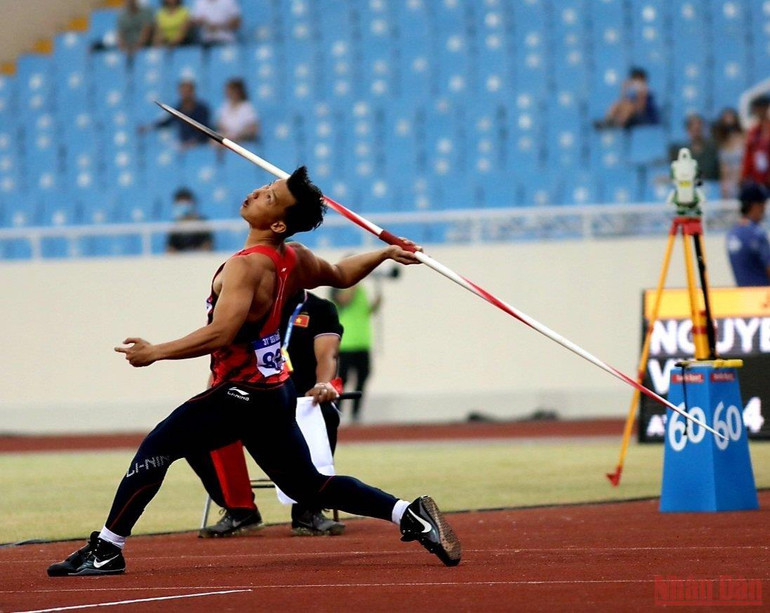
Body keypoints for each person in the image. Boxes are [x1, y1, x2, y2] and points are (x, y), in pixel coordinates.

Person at [47, 167, 461, 576]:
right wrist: (386, 252)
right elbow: (340, 273)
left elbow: (222, 332)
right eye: (266, 186)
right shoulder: (293, 257)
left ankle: (106, 549)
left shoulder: (246, 267)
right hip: (273, 392)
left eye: (269, 196)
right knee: (308, 487)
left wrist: (157, 352)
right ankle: (410, 514)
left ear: (278, 222)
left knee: (157, 447)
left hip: (242, 393)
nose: (256, 192)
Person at [198, 289, 346, 538]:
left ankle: (308, 511)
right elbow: (224, 354)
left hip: (303, 399)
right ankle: (239, 509)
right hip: (251, 395)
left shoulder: (320, 308)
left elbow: (327, 354)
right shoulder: (245, 307)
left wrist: (323, 383)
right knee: (200, 430)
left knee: (325, 416)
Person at [331, 283, 380, 422]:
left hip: (363, 343)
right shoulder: (338, 286)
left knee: (363, 377)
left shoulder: (362, 290)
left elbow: (365, 311)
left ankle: (356, 412)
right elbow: (344, 301)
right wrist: (352, 285)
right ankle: (337, 409)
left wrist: (376, 303)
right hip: (346, 344)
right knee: (343, 379)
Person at [140, 79, 211, 149]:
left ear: (193, 92)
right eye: (183, 92)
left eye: (188, 91)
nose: (185, 94)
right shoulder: (178, 109)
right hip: (183, 145)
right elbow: (166, 122)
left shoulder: (202, 109)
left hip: (200, 146)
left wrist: (193, 142)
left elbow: (206, 129)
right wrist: (149, 127)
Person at [726, 182, 770, 286]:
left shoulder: (732, 234)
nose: (764, 209)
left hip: (743, 296)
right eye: (763, 204)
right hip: (762, 296)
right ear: (755, 206)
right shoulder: (757, 234)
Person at [668, 114, 720, 181]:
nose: (696, 133)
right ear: (688, 130)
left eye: (699, 129)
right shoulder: (680, 152)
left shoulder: (713, 150)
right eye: (693, 130)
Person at [166, 188, 214, 253]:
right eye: (180, 203)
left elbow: (207, 247)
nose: (183, 206)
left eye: (185, 202)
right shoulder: (174, 226)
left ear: (192, 203)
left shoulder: (202, 223)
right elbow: (170, 250)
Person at [713, 107, 745, 199]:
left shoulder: (744, 138)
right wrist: (724, 186)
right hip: (729, 183)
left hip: (743, 180)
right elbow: (723, 167)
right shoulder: (721, 143)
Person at [215, 78, 260, 143]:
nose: (229, 93)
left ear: (238, 91)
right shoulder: (224, 106)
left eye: (231, 90)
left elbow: (253, 128)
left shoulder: (247, 107)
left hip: (243, 140)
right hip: (227, 138)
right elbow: (219, 124)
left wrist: (238, 135)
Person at [741, 95, 770, 188]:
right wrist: (744, 175)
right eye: (757, 108)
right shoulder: (753, 131)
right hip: (756, 177)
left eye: (762, 108)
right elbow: (749, 154)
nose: (759, 111)